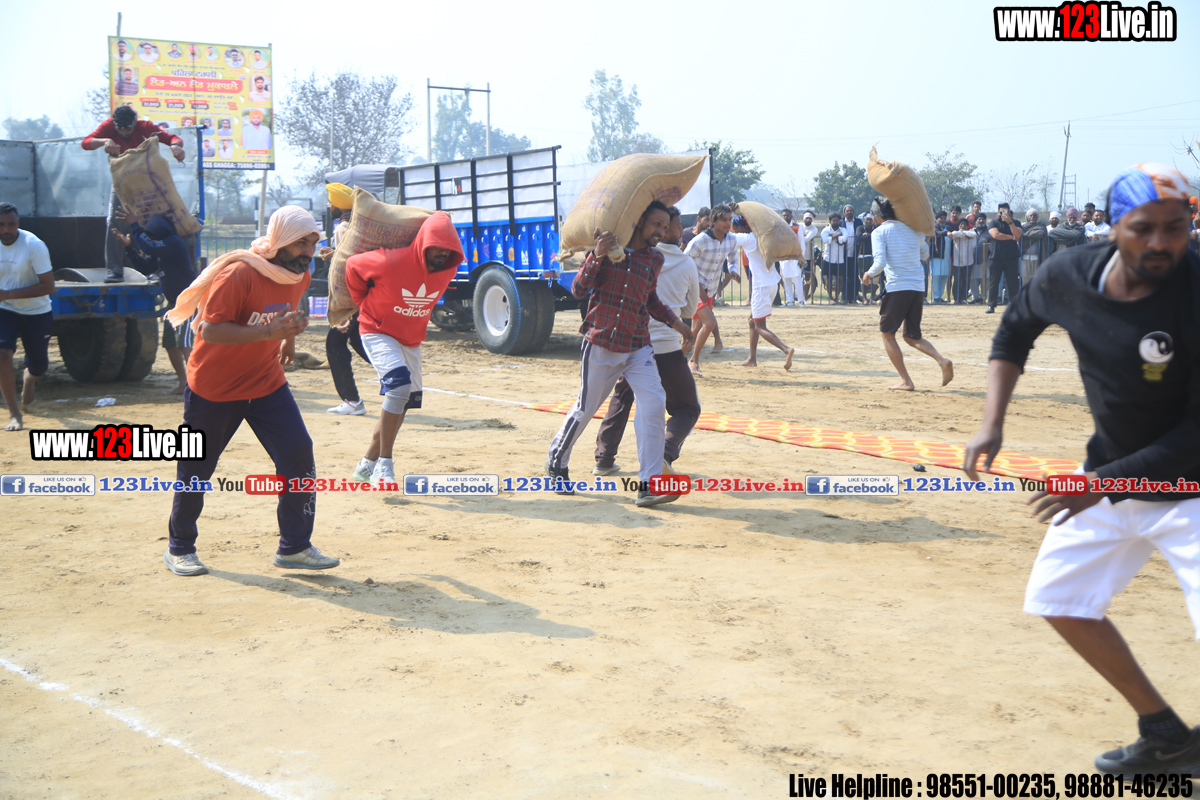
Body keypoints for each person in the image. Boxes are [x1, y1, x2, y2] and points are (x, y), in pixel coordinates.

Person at [963, 163, 1200, 776]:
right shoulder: (1068, 274)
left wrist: (1099, 486)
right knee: (1061, 598)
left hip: (1189, 492)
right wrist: (993, 422)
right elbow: (1014, 332)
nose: (1162, 242)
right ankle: (1165, 734)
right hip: (1110, 481)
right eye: (1144, 228)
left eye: (1176, 227)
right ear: (1113, 227)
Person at [162, 206, 337, 577]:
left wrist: (289, 337)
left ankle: (294, 547)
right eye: (300, 243)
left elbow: (291, 305)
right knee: (196, 469)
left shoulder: (299, 273)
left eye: (312, 242)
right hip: (214, 389)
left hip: (266, 383)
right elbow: (210, 330)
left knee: (298, 454)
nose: (308, 252)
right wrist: (269, 332)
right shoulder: (240, 274)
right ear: (280, 240)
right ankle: (180, 548)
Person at [548, 201, 694, 507]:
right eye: (656, 224)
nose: (661, 231)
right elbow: (578, 290)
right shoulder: (607, 250)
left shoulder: (654, 259)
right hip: (601, 342)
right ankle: (556, 461)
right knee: (586, 408)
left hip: (638, 346)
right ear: (639, 221)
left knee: (653, 405)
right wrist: (597, 255)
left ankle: (649, 484)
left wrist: (679, 324)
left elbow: (650, 299)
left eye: (665, 226)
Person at [345, 212, 465, 485]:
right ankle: (384, 464)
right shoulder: (390, 261)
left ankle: (366, 464)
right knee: (398, 387)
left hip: (411, 340)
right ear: (424, 242)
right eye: (437, 246)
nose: (443, 253)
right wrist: (362, 303)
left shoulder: (449, 270)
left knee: (403, 401)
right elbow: (352, 265)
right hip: (377, 330)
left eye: (448, 249)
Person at [593, 206, 700, 475]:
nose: (678, 231)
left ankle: (604, 459)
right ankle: (663, 453)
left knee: (622, 399)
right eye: (675, 226)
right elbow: (689, 311)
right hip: (666, 347)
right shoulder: (685, 263)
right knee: (687, 408)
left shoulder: (636, 255)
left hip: (634, 344)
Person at [82, 105, 186, 283]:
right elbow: (86, 143)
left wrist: (176, 147)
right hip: (122, 183)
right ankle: (115, 270)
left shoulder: (145, 127)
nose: (124, 133)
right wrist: (105, 141)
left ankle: (154, 268)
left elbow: (172, 138)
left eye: (128, 130)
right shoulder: (108, 127)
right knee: (114, 222)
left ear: (134, 123)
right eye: (120, 130)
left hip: (147, 183)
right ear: (115, 125)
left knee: (152, 224)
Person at [861, 197, 953, 391]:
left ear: (877, 215)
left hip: (897, 288)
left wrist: (868, 274)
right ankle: (941, 360)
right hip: (917, 287)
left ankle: (906, 381)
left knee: (888, 335)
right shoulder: (913, 229)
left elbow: (880, 262)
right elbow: (925, 255)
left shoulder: (879, 232)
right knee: (912, 336)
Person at [113, 210, 196, 395]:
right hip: (173, 304)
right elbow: (145, 267)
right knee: (171, 345)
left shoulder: (173, 243)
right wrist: (129, 248)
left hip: (187, 302)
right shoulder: (160, 251)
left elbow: (149, 246)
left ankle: (196, 386)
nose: (150, 239)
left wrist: (135, 226)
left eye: (152, 235)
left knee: (184, 344)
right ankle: (184, 383)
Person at [0, 203, 55, 432]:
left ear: (18, 224)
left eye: (11, 224)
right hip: (5, 309)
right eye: (1, 225)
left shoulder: (34, 245)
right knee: (2, 354)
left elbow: (48, 286)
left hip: (36, 311)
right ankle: (15, 414)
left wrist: (7, 294)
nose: (6, 229)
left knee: (39, 365)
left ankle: (29, 378)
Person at [322, 184, 370, 417]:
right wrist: (335, 253)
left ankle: (352, 401)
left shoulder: (343, 228)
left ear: (339, 205)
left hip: (351, 298)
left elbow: (347, 269)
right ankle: (399, 376)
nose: (328, 205)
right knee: (360, 341)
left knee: (335, 344)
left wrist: (344, 309)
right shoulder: (361, 224)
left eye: (331, 201)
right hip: (365, 294)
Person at [727, 210, 794, 370]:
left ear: (741, 228)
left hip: (761, 286)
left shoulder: (748, 238)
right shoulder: (762, 236)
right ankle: (752, 359)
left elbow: (725, 236)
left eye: (735, 227)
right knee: (753, 321)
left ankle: (786, 349)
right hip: (771, 283)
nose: (733, 230)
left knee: (759, 326)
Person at [683, 203, 736, 376]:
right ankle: (693, 361)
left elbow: (733, 259)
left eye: (729, 219)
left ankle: (669, 359)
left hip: (711, 288)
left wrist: (733, 270)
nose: (728, 223)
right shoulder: (700, 241)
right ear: (714, 221)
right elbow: (684, 261)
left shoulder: (731, 240)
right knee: (710, 322)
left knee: (695, 330)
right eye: (724, 220)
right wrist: (696, 286)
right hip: (693, 288)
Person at [986, 202, 1023, 313]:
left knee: (1013, 282)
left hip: (1012, 256)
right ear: (998, 212)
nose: (1004, 214)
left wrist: (1010, 222)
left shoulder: (1016, 222)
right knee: (994, 282)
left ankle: (1014, 306)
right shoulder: (994, 222)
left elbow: (1018, 235)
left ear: (1009, 212)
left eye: (1006, 211)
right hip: (996, 256)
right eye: (1002, 212)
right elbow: (996, 235)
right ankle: (991, 305)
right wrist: (1012, 237)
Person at [820, 211, 850, 301]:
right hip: (828, 258)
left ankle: (836, 298)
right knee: (828, 278)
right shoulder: (826, 230)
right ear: (830, 222)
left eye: (837, 220)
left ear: (839, 221)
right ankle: (830, 298)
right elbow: (825, 240)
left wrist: (832, 237)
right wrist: (837, 235)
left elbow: (844, 239)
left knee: (840, 279)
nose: (835, 222)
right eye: (833, 221)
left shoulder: (843, 230)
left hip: (840, 258)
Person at [948, 217, 977, 304]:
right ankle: (956, 299)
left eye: (964, 224)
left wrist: (964, 232)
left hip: (969, 261)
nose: (963, 225)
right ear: (959, 225)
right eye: (961, 224)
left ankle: (963, 298)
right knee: (957, 281)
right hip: (957, 262)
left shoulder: (970, 232)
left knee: (966, 281)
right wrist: (963, 233)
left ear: (967, 225)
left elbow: (974, 234)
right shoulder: (955, 233)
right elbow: (954, 234)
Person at [779, 209, 804, 307]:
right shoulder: (779, 228)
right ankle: (790, 301)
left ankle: (801, 301)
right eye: (784, 216)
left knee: (797, 279)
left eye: (787, 215)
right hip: (784, 257)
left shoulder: (797, 227)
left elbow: (802, 243)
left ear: (791, 216)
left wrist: (801, 258)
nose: (786, 217)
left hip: (795, 257)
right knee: (786, 280)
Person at [1020, 209, 1049, 287]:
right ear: (1027, 217)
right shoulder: (1023, 227)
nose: (1032, 217)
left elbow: (1041, 233)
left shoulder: (1041, 225)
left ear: (1037, 217)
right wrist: (1032, 234)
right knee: (1025, 277)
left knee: (1036, 278)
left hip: (1037, 257)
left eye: (1034, 215)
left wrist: (1025, 234)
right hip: (1024, 257)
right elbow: (1020, 233)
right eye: (1030, 215)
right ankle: (1026, 293)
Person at [929, 210, 951, 303]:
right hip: (937, 256)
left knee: (944, 276)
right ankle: (936, 297)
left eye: (944, 218)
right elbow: (936, 233)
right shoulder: (934, 226)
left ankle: (940, 296)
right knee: (936, 276)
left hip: (947, 257)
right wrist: (946, 233)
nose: (943, 220)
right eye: (941, 218)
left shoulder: (948, 227)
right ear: (937, 219)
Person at [798, 211, 819, 302]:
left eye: (810, 218)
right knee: (797, 277)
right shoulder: (799, 226)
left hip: (808, 257)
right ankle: (798, 297)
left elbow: (806, 240)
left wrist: (801, 236)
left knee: (807, 278)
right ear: (804, 219)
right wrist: (803, 236)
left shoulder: (814, 229)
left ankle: (804, 298)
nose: (808, 220)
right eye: (806, 218)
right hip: (798, 256)